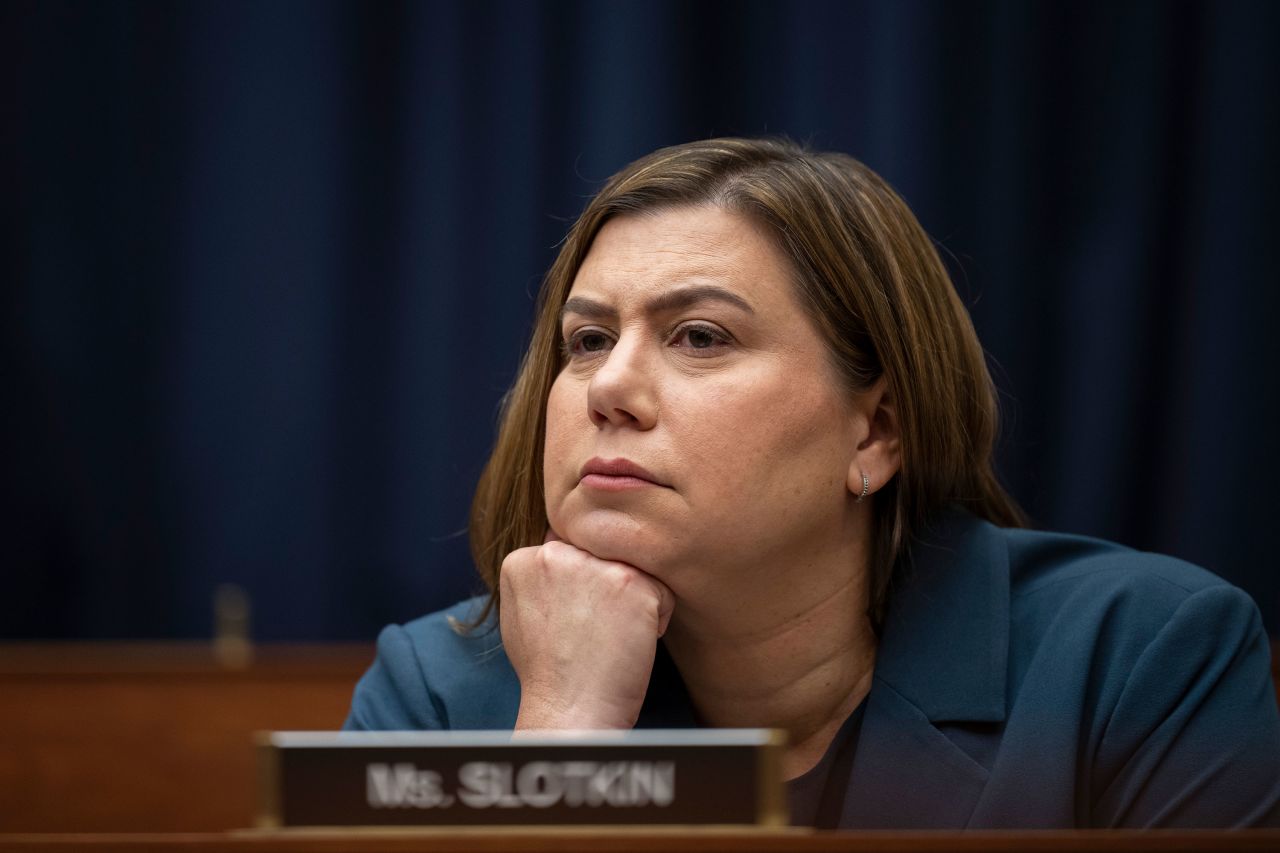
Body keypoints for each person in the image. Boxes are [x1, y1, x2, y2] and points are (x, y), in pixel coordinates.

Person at [344, 137, 1280, 828]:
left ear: (876, 430)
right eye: (587, 340)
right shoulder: (440, 691)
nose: (611, 388)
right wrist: (564, 732)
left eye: (699, 336)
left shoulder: (1141, 660)